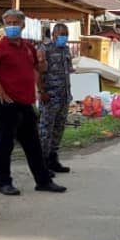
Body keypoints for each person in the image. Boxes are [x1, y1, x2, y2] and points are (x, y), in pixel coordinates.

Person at [0, 9, 66, 195]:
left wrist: (42, 67)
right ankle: (3, 182)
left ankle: (43, 180)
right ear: (5, 25)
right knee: (5, 145)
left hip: (26, 103)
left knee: (33, 145)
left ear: (23, 25)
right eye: (9, 23)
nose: (12, 26)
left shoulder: (28, 47)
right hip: (7, 104)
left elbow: (38, 68)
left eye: (15, 23)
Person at [38, 23, 74, 175]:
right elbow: (37, 72)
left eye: (65, 34)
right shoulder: (44, 49)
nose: (63, 37)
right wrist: (41, 91)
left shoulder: (66, 49)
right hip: (50, 97)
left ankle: (53, 159)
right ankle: (42, 162)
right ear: (53, 35)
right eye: (60, 34)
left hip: (64, 96)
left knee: (58, 129)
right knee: (45, 130)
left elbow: (68, 70)